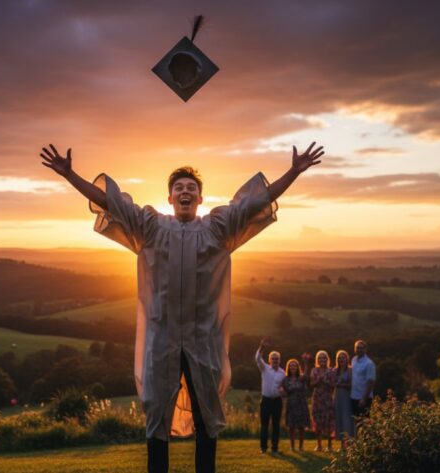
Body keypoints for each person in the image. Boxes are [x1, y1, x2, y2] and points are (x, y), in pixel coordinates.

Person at [39, 142, 325, 473]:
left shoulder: (218, 228)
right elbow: (109, 201)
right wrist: (69, 174)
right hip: (161, 342)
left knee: (207, 415)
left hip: (204, 343)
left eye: (191, 188)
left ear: (200, 199)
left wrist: (293, 171)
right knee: (157, 417)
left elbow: (255, 202)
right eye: (179, 188)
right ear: (170, 198)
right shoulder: (150, 227)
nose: (185, 191)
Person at [255, 338, 286, 454]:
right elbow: (257, 358)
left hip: (277, 401)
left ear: (279, 360)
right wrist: (262, 347)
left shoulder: (283, 373)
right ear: (269, 360)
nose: (275, 360)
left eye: (277, 359)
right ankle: (263, 448)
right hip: (266, 401)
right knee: (264, 425)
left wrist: (283, 391)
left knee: (276, 425)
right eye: (273, 358)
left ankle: (275, 448)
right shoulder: (264, 368)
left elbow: (285, 387)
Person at [282, 357, 311, 451]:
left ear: (298, 367)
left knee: (301, 426)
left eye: (294, 365)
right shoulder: (285, 379)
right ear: (288, 368)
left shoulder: (301, 378)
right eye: (291, 366)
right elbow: (285, 392)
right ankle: (292, 446)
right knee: (291, 426)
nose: (293, 367)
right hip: (291, 404)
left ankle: (301, 447)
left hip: (301, 403)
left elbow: (307, 376)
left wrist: (306, 363)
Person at [309, 350, 336, 452]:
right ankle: (319, 445)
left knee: (329, 420)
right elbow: (311, 385)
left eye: (324, 357)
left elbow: (334, 385)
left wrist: (327, 382)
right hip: (317, 398)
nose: (322, 359)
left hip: (327, 398)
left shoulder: (331, 371)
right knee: (318, 420)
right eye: (320, 358)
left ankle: (329, 446)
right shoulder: (314, 370)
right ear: (317, 360)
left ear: (327, 359)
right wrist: (318, 380)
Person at [350, 339, 376, 436]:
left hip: (363, 398)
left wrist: (364, 399)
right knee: (356, 422)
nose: (359, 350)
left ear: (365, 350)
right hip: (353, 397)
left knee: (364, 423)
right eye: (357, 348)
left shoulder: (369, 364)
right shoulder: (353, 360)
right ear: (354, 349)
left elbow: (371, 382)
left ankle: (367, 445)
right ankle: (357, 446)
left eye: (361, 348)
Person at [333, 349, 355, 446]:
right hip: (337, 397)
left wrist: (341, 385)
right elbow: (332, 383)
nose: (341, 359)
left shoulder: (351, 370)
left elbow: (352, 385)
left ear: (347, 359)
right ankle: (342, 445)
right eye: (339, 358)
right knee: (339, 418)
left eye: (343, 357)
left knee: (347, 419)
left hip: (347, 397)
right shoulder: (334, 371)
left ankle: (350, 444)